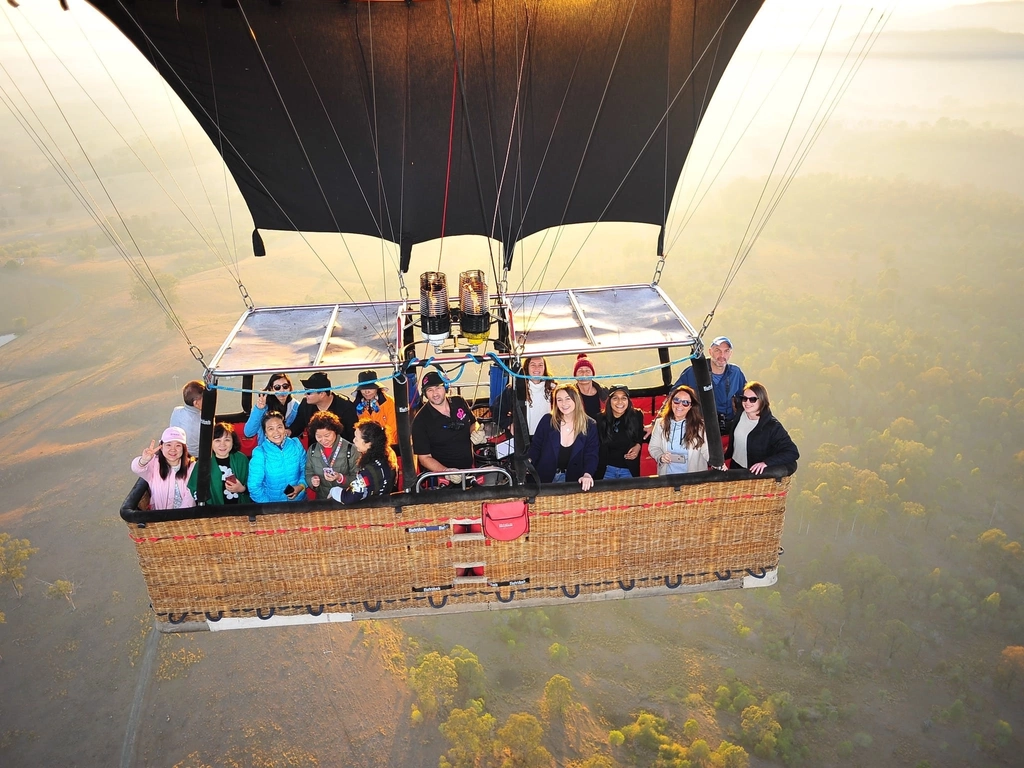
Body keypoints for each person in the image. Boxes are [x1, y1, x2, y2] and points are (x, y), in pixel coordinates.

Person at [412, 370, 483, 478]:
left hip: (470, 469)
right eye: (429, 390)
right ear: (425, 393)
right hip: (441, 478)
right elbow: (424, 458)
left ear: (445, 388)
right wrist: (446, 472)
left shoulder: (459, 401)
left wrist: (476, 432)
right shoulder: (420, 421)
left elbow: (473, 422)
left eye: (438, 388)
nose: (435, 394)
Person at [528, 383, 598, 490]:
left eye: (567, 399)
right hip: (544, 479)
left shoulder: (590, 425)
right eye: (559, 400)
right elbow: (535, 448)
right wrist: (527, 464)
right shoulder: (547, 421)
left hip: (573, 481)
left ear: (576, 400)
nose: (563, 403)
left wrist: (587, 474)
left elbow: (591, 455)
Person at [725, 381, 799, 474]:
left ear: (762, 400)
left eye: (753, 399)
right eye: (744, 398)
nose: (747, 402)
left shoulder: (772, 426)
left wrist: (766, 463)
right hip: (735, 467)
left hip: (752, 473)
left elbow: (792, 452)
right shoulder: (740, 414)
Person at [673, 336, 746, 432]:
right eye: (717, 350)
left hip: (728, 427)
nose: (722, 355)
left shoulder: (735, 373)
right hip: (699, 427)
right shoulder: (694, 372)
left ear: (730, 354)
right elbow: (673, 395)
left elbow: (748, 395)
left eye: (726, 351)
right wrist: (657, 422)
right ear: (710, 352)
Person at [329, 421, 397, 503]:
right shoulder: (388, 454)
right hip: (387, 503)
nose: (353, 440)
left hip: (375, 510)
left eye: (356, 439)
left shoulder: (370, 471)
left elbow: (350, 497)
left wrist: (333, 491)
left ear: (368, 444)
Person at [648, 385, 710, 475]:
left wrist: (718, 464)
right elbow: (654, 448)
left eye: (685, 403)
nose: (680, 405)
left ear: (691, 406)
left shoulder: (701, 426)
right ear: (671, 402)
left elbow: (707, 451)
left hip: (693, 479)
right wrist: (661, 457)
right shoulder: (660, 424)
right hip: (667, 479)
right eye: (676, 400)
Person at [248, 410, 307, 503]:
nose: (276, 432)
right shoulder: (260, 453)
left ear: (285, 428)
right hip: (272, 507)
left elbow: (306, 470)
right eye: (270, 429)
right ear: (265, 433)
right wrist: (270, 507)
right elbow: (254, 486)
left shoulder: (296, 444)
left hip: (299, 502)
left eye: (279, 427)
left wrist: (301, 486)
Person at [131, 426, 195, 510]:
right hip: (160, 516)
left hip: (185, 517)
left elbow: (190, 495)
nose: (173, 449)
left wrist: (179, 516)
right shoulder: (154, 465)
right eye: (168, 445)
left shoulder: (192, 466)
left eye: (178, 445)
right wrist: (143, 460)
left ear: (184, 448)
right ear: (161, 447)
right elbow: (137, 468)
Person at [187, 422, 250, 505]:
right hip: (213, 512)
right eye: (217, 440)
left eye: (227, 440)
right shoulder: (203, 462)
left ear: (233, 441)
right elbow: (194, 488)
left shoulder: (242, 459)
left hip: (240, 510)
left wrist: (242, 489)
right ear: (210, 442)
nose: (222, 444)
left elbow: (254, 485)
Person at [304, 411, 360, 501]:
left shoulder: (350, 449)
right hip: (322, 499)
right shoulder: (313, 449)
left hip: (344, 499)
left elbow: (358, 478)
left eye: (327, 435)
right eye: (318, 436)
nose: (323, 440)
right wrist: (312, 481)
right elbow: (308, 472)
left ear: (335, 431)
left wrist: (340, 478)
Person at [289, 372, 357, 443]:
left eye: (309, 392)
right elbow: (298, 424)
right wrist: (289, 431)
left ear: (322, 394)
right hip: (315, 450)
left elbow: (352, 434)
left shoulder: (345, 406)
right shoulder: (305, 404)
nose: (305, 394)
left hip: (341, 450)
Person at [596, 384, 645, 479]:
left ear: (628, 401)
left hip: (628, 470)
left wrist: (638, 446)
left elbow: (639, 436)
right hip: (606, 471)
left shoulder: (637, 415)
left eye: (624, 398)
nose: (620, 402)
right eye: (615, 398)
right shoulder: (600, 419)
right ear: (609, 401)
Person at [244, 373, 299, 446]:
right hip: (267, 450)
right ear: (271, 389)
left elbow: (299, 428)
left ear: (290, 388)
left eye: (285, 386)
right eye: (277, 387)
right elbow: (248, 432)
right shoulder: (264, 407)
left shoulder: (295, 406)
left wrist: (290, 430)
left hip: (288, 450)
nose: (282, 390)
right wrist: (259, 409)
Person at [352, 370, 398, 448]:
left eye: (370, 388)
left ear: (377, 388)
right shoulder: (356, 405)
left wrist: (379, 445)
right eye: (363, 388)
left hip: (388, 446)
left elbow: (392, 428)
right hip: (365, 447)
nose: (367, 391)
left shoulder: (390, 403)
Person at [169, 379, 205, 456]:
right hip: (197, 457)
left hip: (181, 453)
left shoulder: (176, 411)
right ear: (196, 403)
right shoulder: (201, 422)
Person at [523, 356, 557, 436]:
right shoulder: (517, 388)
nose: (537, 368)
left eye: (540, 365)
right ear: (527, 367)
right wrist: (509, 424)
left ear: (544, 368)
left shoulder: (552, 388)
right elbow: (497, 408)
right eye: (533, 365)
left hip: (547, 436)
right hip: (524, 437)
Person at [573, 354, 606, 419]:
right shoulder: (571, 394)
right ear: (575, 375)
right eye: (580, 371)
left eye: (587, 371)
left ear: (593, 374)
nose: (584, 374)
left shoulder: (603, 391)